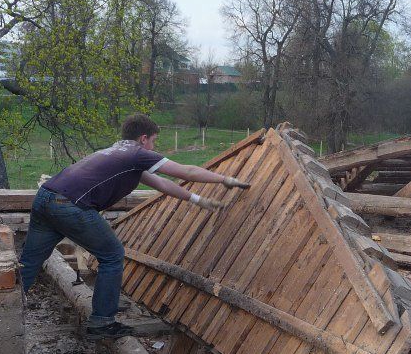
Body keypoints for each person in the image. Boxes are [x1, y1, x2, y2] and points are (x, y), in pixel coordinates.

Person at [18, 113, 249, 340]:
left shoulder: (114, 153)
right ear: (143, 138)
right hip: (70, 205)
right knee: (112, 254)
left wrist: (198, 200)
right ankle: (102, 322)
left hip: (45, 197)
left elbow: (161, 184)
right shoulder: (137, 154)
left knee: (30, 260)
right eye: (154, 141)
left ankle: (11, 308)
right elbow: (185, 171)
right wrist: (224, 179)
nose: (153, 146)